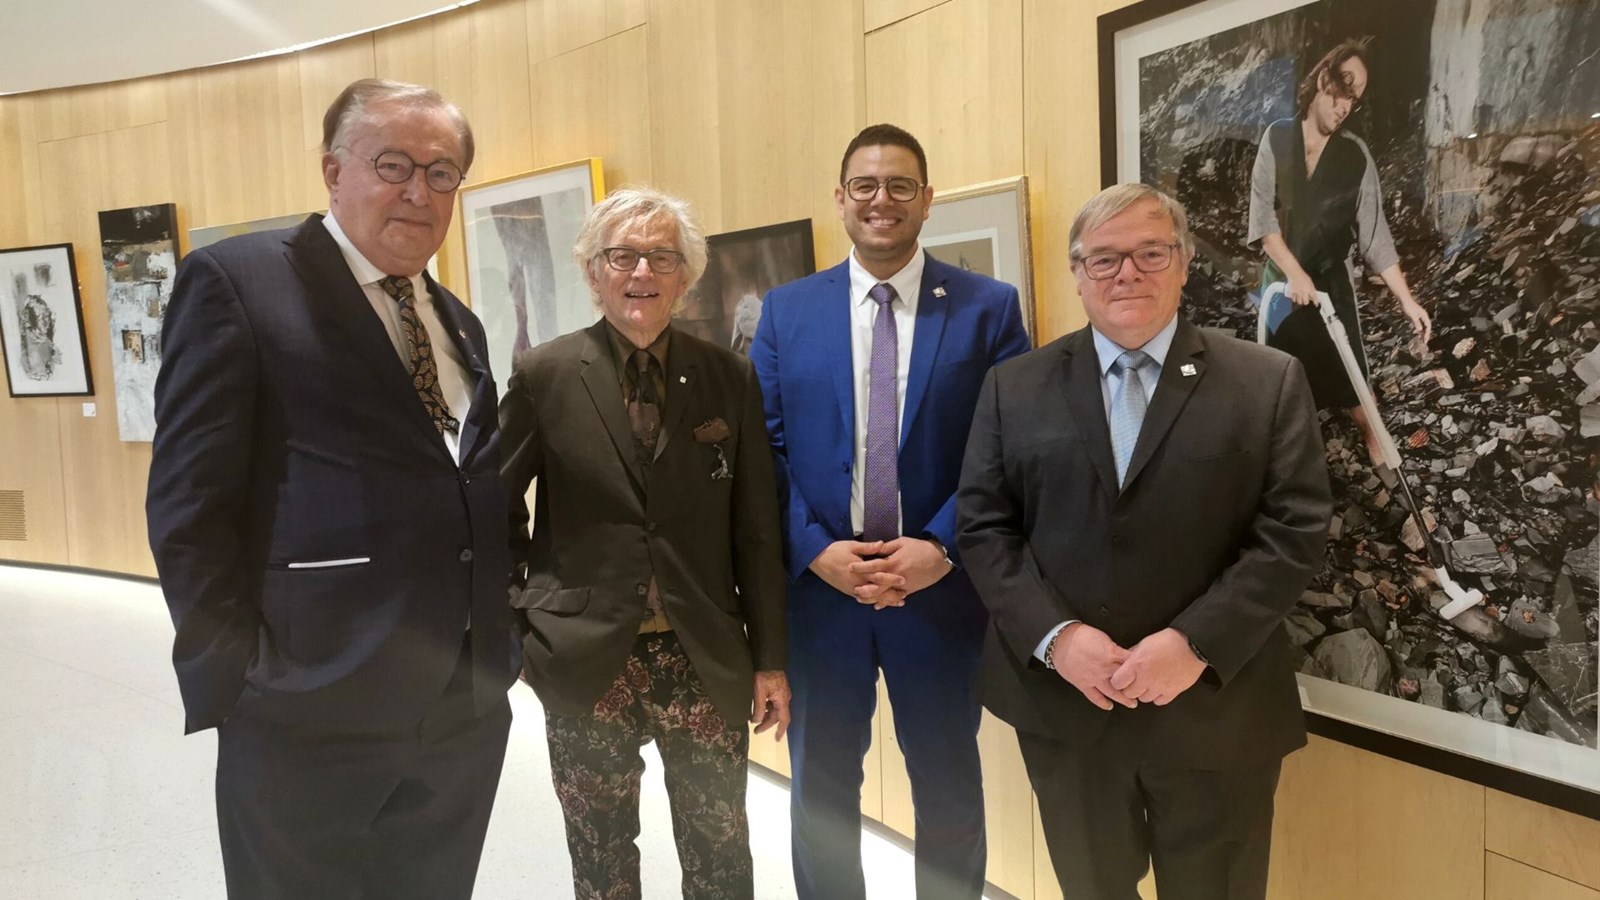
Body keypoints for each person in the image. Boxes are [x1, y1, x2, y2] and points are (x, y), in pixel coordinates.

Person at [145, 78, 518, 900]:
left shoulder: (458, 320)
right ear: (332, 168)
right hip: (305, 707)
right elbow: (187, 505)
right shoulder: (239, 283)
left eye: (443, 172)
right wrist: (238, 681)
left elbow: (462, 477)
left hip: (459, 709)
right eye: (394, 164)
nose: (419, 191)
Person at [957, 184, 1332, 900]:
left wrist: (1194, 644)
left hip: (1217, 712)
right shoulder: (1015, 387)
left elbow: (1294, 531)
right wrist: (1056, 636)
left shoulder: (1267, 382)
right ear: (1077, 273)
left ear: (1184, 263)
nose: (1126, 273)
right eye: (1103, 259)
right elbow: (983, 527)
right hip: (1068, 708)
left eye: (1149, 253)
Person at [752, 123, 1031, 900]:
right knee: (821, 791)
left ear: (927, 200)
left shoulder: (988, 310)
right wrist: (814, 551)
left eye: (900, 185)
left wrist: (940, 546)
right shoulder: (786, 312)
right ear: (840, 199)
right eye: (865, 185)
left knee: (946, 788)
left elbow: (1003, 449)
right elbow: (761, 453)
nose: (882, 200)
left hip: (938, 594)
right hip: (820, 599)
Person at [497, 187, 790, 900]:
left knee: (720, 852)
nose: (642, 272)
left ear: (684, 276)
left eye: (661, 256)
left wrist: (772, 660)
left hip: (702, 655)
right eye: (622, 255)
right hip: (585, 655)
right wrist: (519, 627)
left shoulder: (729, 377)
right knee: (600, 856)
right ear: (593, 271)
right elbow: (495, 508)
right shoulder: (546, 375)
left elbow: (755, 529)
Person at [1247, 38, 1432, 468]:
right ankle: (1287, 462)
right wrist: (1293, 274)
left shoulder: (1355, 156)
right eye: (1342, 89)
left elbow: (1374, 237)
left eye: (1355, 97)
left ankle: (1378, 448)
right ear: (1321, 80)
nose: (1346, 104)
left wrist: (1408, 301)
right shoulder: (1276, 139)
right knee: (1280, 378)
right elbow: (1263, 224)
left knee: (1352, 375)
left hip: (1331, 281)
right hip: (1280, 281)